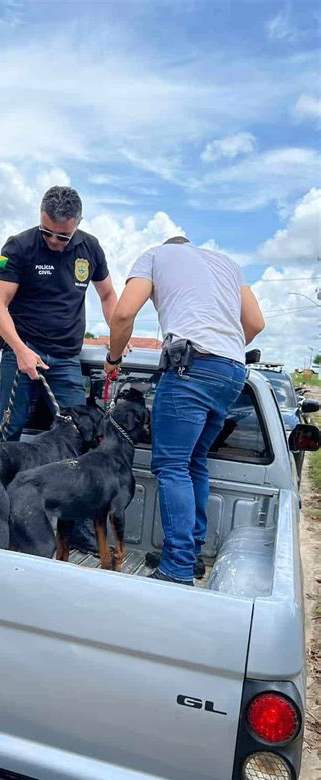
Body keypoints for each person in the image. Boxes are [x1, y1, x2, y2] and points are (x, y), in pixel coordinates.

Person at [104, 235, 265, 586]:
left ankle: (176, 567)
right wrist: (223, 350)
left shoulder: (155, 256)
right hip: (233, 372)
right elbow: (255, 324)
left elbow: (124, 314)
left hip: (190, 368)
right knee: (194, 463)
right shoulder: (227, 264)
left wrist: (113, 359)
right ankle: (189, 555)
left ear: (168, 246)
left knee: (173, 465)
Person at [0, 185, 118, 440]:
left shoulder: (90, 248)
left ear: (78, 223)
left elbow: (108, 294)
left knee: (79, 432)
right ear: (40, 216)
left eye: (63, 236)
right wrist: (20, 350)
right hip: (23, 352)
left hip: (66, 358)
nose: (54, 241)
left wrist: (118, 336)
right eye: (47, 232)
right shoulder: (19, 246)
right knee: (8, 431)